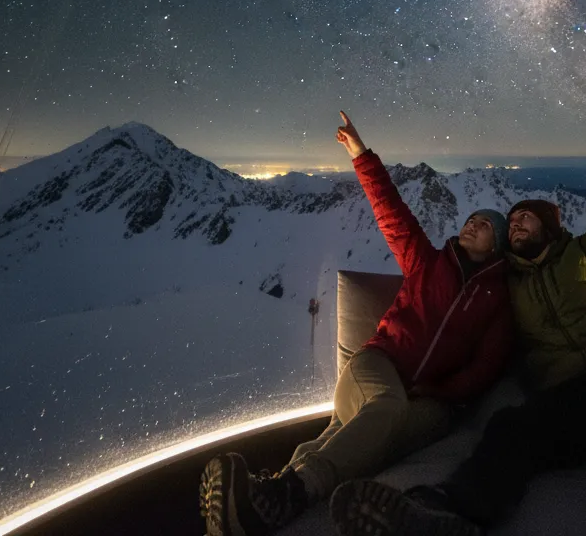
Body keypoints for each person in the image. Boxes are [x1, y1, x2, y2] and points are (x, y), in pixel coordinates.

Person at [329, 85, 586, 536]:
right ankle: (447, 511)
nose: (515, 224)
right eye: (510, 223)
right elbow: (453, 312)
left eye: (524, 218)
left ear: (549, 226)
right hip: (578, 403)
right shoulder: (505, 289)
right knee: (510, 427)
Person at [200, 111, 514, 536]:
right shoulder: (427, 262)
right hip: (376, 365)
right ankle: (294, 491)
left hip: (431, 400)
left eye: (485, 225)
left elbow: (484, 368)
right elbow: (391, 211)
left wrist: (439, 392)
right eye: (471, 219)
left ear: (497, 246)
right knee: (387, 407)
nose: (472, 225)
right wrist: (360, 153)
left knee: (358, 438)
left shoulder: (497, 300)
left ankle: (264, 505)